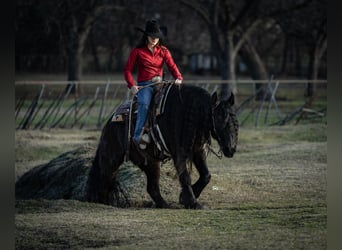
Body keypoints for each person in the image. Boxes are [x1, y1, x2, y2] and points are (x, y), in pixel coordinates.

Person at [124, 19, 183, 149]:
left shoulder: (163, 50)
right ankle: (137, 135)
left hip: (161, 84)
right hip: (145, 85)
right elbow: (127, 70)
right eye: (152, 36)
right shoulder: (137, 51)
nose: (155, 39)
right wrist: (132, 85)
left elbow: (172, 66)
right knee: (144, 104)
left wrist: (178, 77)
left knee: (174, 103)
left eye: (157, 37)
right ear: (146, 36)